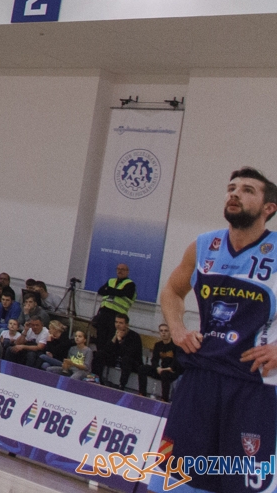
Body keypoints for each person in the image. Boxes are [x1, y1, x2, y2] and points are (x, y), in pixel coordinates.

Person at [158, 167, 277, 489]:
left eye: (248, 190)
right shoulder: (203, 245)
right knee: (177, 479)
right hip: (202, 375)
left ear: (269, 208)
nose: (235, 193)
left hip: (255, 382)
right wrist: (179, 328)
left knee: (242, 483)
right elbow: (171, 291)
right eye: (231, 187)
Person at [89, 262, 136, 348]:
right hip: (104, 313)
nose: (120, 271)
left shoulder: (130, 284)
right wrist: (113, 291)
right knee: (100, 338)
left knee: (111, 339)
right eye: (118, 269)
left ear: (127, 272)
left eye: (122, 269)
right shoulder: (111, 280)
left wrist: (109, 289)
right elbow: (100, 291)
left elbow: (122, 293)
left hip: (117, 316)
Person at [94, 312, 144, 391]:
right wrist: (114, 338)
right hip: (116, 358)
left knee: (126, 360)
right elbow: (107, 349)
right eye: (116, 322)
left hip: (132, 362)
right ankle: (97, 379)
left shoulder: (134, 336)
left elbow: (129, 353)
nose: (118, 325)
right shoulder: (113, 332)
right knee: (99, 354)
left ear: (126, 324)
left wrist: (120, 340)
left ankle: (121, 385)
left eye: (121, 323)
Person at [144, 322, 181, 401]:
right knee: (143, 368)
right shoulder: (158, 345)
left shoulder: (176, 345)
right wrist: (157, 368)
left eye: (166, 331)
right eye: (161, 331)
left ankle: (165, 398)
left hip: (172, 372)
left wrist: (167, 369)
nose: (163, 333)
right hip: (161, 370)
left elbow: (176, 362)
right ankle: (142, 393)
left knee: (165, 374)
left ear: (170, 332)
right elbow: (154, 360)